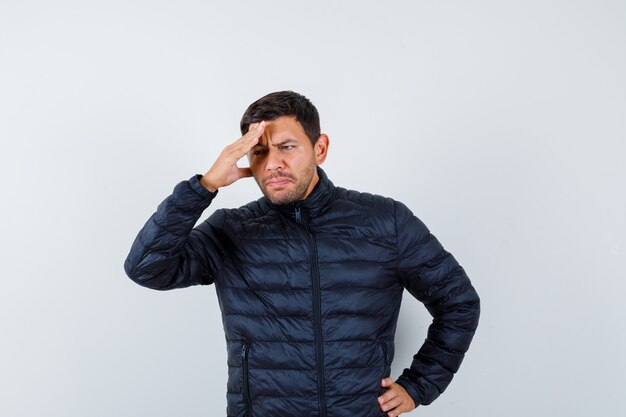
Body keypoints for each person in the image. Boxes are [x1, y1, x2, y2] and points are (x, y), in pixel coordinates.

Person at [124, 91, 480, 417]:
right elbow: (146, 268)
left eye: (287, 147)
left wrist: (418, 387)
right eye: (259, 151)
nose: (273, 163)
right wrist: (204, 187)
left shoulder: (385, 221)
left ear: (319, 148)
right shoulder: (230, 229)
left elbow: (459, 302)